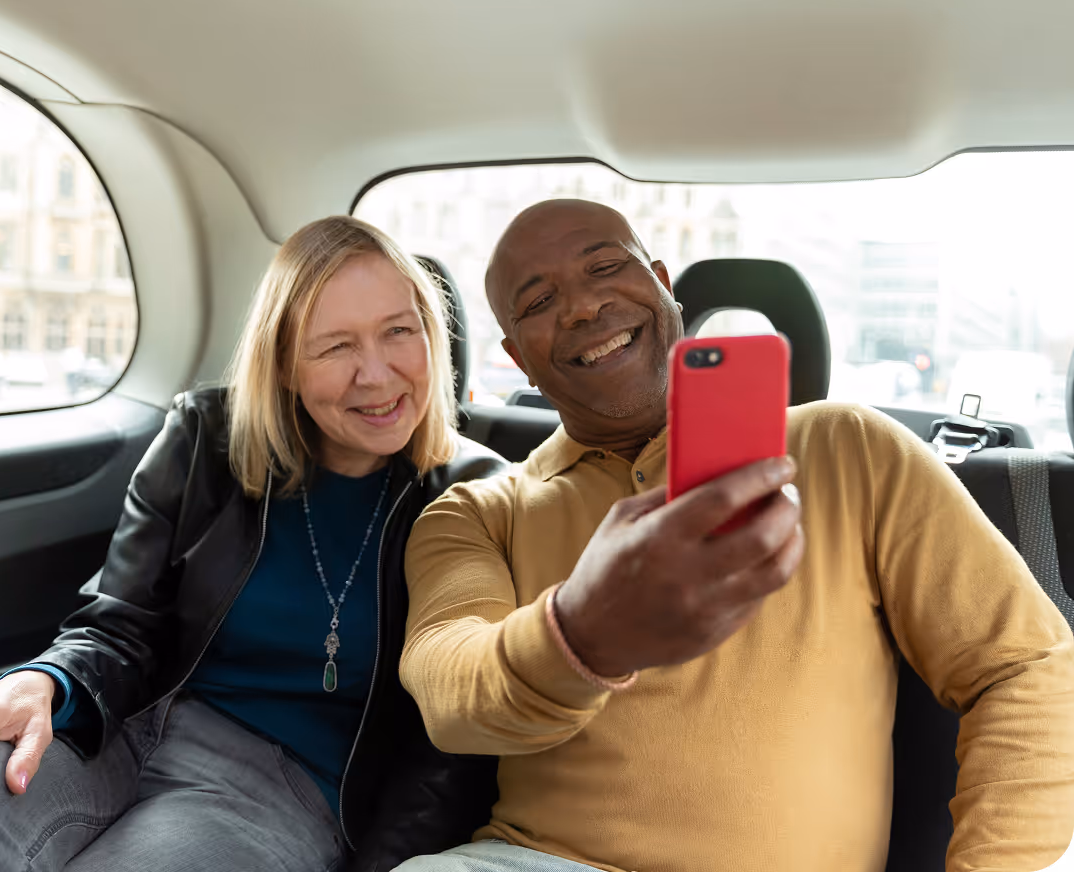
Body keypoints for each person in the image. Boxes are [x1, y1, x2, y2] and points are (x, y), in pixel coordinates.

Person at [394, 199, 1074, 872]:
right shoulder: (476, 511)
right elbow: (450, 689)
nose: (580, 308)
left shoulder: (849, 447)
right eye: (538, 303)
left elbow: (1026, 665)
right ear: (516, 357)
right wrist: (581, 634)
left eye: (604, 267)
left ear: (662, 283)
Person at [0, 215, 506, 872]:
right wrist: (42, 680)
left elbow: (454, 745)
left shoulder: (475, 494)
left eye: (399, 332)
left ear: (433, 336)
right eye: (335, 346)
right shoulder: (207, 436)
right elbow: (118, 625)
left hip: (280, 789)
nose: (374, 375)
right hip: (127, 725)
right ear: (285, 365)